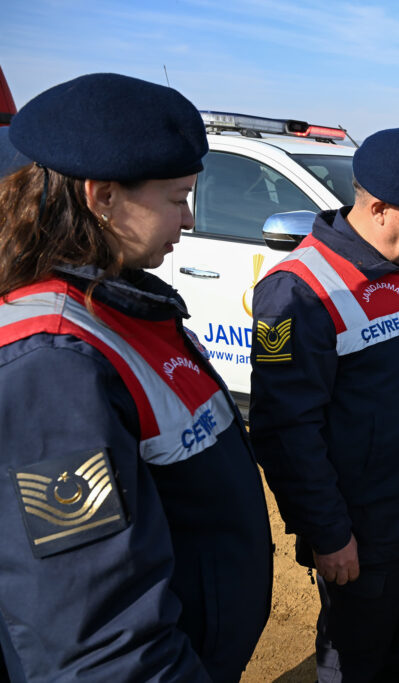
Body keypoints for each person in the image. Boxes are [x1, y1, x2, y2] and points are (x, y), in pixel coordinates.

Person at [0, 73, 272, 681]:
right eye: (177, 198)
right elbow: (97, 635)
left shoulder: (118, 301)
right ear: (102, 198)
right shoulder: (53, 364)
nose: (190, 217)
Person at [249, 128, 399, 683]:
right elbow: (286, 430)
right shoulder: (302, 291)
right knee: (356, 658)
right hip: (365, 530)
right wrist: (328, 534)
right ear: (378, 208)